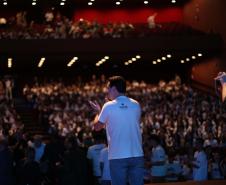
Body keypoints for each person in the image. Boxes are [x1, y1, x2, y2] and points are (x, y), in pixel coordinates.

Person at [89, 76, 144, 185]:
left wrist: (98, 112)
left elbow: (97, 127)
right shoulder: (136, 104)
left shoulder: (108, 106)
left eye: (108, 88)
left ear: (114, 89)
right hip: (137, 155)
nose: (107, 91)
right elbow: (121, 123)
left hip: (118, 156)